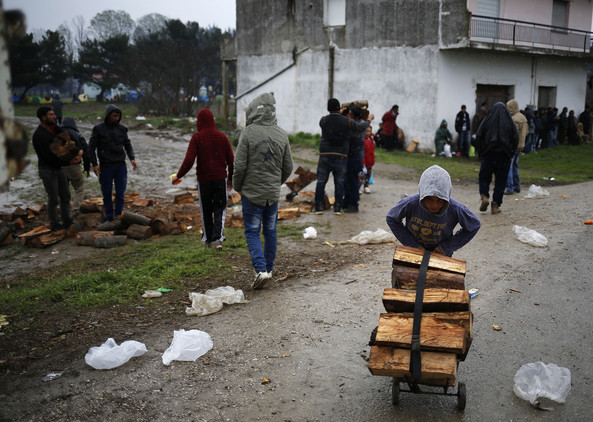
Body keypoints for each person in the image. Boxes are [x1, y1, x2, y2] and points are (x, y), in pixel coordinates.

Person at [233, 93, 293, 289]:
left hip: (251, 194)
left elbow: (240, 165)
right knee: (270, 231)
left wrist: (238, 186)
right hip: (272, 194)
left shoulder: (248, 133)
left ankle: (260, 270)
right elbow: (288, 166)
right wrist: (277, 182)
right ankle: (269, 268)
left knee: (252, 231)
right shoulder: (281, 133)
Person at [172, 109, 234, 249]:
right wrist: (230, 179)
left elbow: (189, 161)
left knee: (205, 210)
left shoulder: (197, 137)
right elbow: (232, 161)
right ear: (213, 121)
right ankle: (218, 238)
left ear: (198, 122)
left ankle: (208, 241)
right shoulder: (222, 137)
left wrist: (178, 176)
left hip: (204, 181)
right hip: (220, 179)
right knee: (219, 208)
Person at [386, 165, 480, 256]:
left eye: (440, 200)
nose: (434, 205)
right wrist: (413, 245)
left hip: (441, 255)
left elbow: (474, 225)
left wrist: (446, 247)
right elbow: (392, 218)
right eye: (429, 199)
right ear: (422, 193)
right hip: (414, 254)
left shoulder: (454, 208)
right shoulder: (411, 203)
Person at [313, 98, 370, 215]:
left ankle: (318, 207)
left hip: (324, 155)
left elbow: (331, 122)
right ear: (339, 108)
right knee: (339, 182)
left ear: (328, 108)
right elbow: (360, 127)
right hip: (341, 155)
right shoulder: (346, 121)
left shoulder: (322, 120)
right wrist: (369, 120)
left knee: (321, 181)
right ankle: (338, 208)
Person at [89, 104, 138, 223]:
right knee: (107, 193)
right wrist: (95, 164)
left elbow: (127, 144)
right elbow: (91, 147)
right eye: (114, 116)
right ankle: (109, 216)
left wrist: (132, 158)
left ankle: (119, 215)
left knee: (121, 193)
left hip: (120, 165)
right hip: (105, 166)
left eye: (118, 116)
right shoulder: (98, 129)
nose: (116, 118)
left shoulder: (122, 129)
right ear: (108, 115)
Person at [31, 106, 72, 231]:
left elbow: (68, 138)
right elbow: (47, 157)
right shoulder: (39, 135)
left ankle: (67, 221)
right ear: (43, 118)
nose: (54, 116)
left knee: (65, 196)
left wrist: (76, 152)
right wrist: (68, 160)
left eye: (54, 114)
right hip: (47, 170)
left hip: (58, 168)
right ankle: (55, 224)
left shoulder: (54, 128)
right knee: (53, 198)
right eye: (51, 114)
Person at [474, 102, 518, 214]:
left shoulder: (487, 121)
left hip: (489, 154)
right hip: (504, 155)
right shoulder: (509, 122)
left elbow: (478, 136)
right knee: (501, 181)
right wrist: (511, 154)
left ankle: (484, 197)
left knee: (484, 177)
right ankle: (495, 205)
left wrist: (480, 152)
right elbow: (515, 138)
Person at [342, 105, 371, 213]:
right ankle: (347, 201)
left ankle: (353, 204)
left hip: (354, 158)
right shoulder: (359, 124)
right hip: (352, 157)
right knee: (347, 181)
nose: (348, 116)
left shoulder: (356, 126)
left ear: (355, 116)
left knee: (353, 181)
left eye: (350, 114)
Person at [61, 117, 90, 214]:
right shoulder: (77, 135)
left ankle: (65, 211)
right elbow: (86, 152)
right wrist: (86, 168)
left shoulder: (57, 135)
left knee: (64, 191)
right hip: (74, 168)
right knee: (79, 189)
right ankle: (75, 210)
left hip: (60, 168)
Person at [504, 99, 528, 196]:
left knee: (509, 167)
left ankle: (510, 187)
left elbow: (513, 134)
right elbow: (526, 132)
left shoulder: (514, 119)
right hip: (521, 145)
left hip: (513, 146)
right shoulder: (523, 117)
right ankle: (517, 186)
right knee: (515, 166)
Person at [362, 126, 375, 194]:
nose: (368, 133)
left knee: (368, 174)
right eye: (366, 131)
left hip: (369, 161)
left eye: (369, 131)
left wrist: (373, 159)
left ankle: (366, 186)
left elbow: (372, 151)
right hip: (363, 161)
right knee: (361, 174)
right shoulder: (362, 140)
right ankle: (358, 186)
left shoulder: (371, 140)